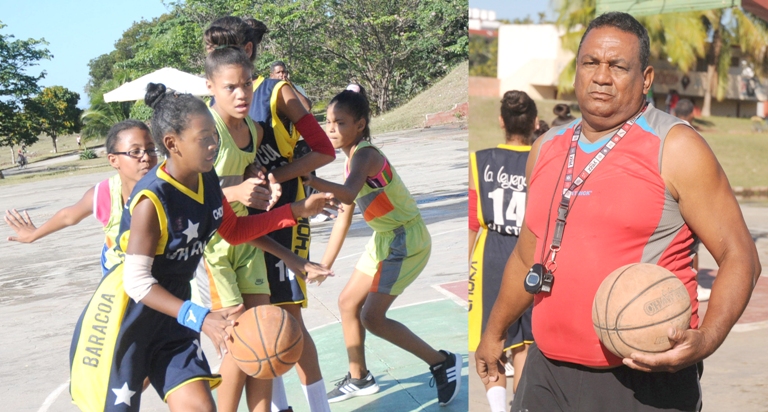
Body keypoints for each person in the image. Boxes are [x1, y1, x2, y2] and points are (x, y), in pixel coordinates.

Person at [475, 12, 760, 412]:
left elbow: (740, 256)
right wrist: (494, 331)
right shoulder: (546, 148)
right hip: (546, 372)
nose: (601, 76)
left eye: (617, 66)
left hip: (643, 378)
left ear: (644, 79)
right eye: (591, 62)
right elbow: (528, 254)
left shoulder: (675, 147)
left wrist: (707, 338)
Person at [68, 83, 338, 412]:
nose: (214, 144)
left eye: (214, 135)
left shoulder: (205, 178)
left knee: (201, 408)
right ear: (172, 144)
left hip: (172, 322)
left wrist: (297, 211)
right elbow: (136, 282)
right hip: (127, 321)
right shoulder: (151, 200)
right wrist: (201, 317)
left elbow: (234, 231)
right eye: (204, 138)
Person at [204, 16, 336, 412]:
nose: (211, 56)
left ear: (244, 52)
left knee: (284, 319)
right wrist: (246, 184)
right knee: (255, 332)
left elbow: (324, 151)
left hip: (280, 212)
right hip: (238, 222)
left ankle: (318, 405)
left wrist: (271, 178)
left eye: (217, 49)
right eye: (210, 53)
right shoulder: (216, 109)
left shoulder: (276, 92)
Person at [303, 88, 462, 406]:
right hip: (385, 238)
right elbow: (343, 218)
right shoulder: (352, 162)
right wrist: (324, 264)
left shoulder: (365, 155)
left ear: (360, 125)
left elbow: (347, 195)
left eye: (340, 123)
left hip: (405, 239)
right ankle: (359, 377)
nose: (331, 129)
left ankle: (442, 362)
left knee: (372, 318)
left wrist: (308, 178)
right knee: (348, 303)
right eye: (328, 122)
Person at [5, 120, 158, 275]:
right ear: (113, 160)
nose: (146, 157)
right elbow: (68, 216)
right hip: (118, 272)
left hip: (159, 267)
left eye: (151, 150)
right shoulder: (104, 194)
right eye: (135, 152)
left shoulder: (167, 188)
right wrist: (33, 234)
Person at [469, 90, 536, 412]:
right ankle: (519, 407)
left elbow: (472, 219)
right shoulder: (543, 160)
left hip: (492, 253)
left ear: (501, 121)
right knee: (524, 343)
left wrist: (468, 263)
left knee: (491, 339)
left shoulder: (481, 159)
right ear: (535, 123)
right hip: (530, 251)